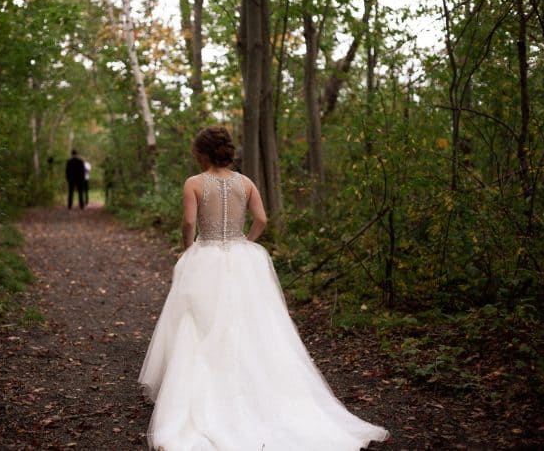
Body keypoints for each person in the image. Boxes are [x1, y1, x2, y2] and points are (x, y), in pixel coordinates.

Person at [139, 126, 389, 450]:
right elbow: (262, 219)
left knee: (198, 325)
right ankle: (253, 388)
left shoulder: (194, 183)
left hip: (207, 254)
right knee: (251, 324)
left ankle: (199, 394)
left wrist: (189, 249)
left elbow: (189, 223)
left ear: (201, 153)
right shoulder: (246, 183)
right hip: (242, 257)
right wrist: (245, 242)